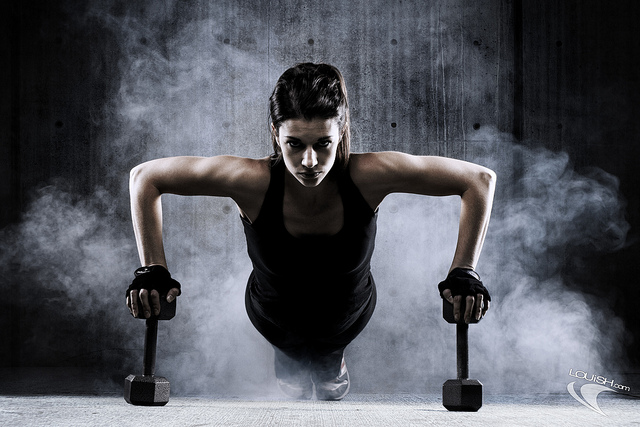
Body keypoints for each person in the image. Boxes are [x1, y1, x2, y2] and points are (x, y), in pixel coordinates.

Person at [126, 63, 496, 401]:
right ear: (276, 133)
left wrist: (464, 270)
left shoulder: (369, 177)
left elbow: (479, 181)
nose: (309, 161)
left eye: (323, 144)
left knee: (326, 359)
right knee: (292, 364)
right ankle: (287, 357)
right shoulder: (252, 182)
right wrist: (153, 267)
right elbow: (145, 178)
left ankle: (332, 360)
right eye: (294, 144)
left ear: (342, 130)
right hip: (271, 315)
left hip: (348, 315)